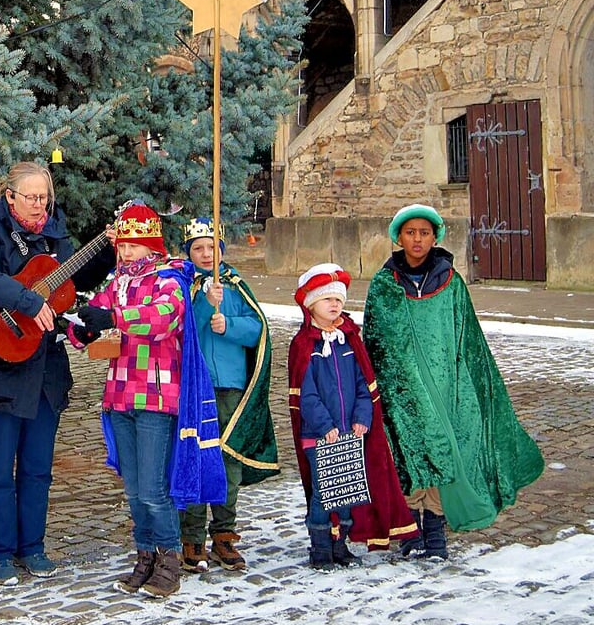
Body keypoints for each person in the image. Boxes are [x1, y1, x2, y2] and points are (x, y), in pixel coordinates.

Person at [0, 161, 114, 585]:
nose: (40, 204)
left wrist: (110, 248)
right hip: (2, 365)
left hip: (46, 370)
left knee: (38, 469)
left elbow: (77, 278)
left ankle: (33, 547)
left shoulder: (56, 235)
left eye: (44, 196)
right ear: (10, 197)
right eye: (31, 197)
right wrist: (26, 301)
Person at [363, 204, 545, 558]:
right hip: (402, 391)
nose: (417, 239)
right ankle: (410, 528)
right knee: (407, 452)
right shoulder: (385, 284)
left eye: (425, 233)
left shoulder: (450, 282)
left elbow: (467, 338)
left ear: (435, 237)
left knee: (445, 450)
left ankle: (434, 528)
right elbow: (376, 340)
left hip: (445, 385)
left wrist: (464, 383)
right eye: (411, 233)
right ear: (398, 237)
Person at [68, 203, 226, 598]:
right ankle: (145, 555)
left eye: (134, 246)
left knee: (155, 489)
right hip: (119, 395)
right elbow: (97, 317)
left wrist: (114, 319)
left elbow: (160, 319)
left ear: (151, 245)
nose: (126, 253)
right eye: (122, 246)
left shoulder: (168, 280)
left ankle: (169, 559)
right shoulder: (116, 282)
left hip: (157, 396)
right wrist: (80, 331)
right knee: (135, 489)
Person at [288, 264, 419, 570]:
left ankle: (339, 543)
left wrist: (363, 416)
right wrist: (325, 426)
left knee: (346, 492)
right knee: (324, 494)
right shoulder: (305, 344)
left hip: (350, 433)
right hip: (320, 436)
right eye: (326, 300)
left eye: (338, 300)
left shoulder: (350, 340)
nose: (334, 305)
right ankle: (320, 548)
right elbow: (305, 393)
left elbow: (364, 383)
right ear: (311, 304)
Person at [177, 217, 280, 574]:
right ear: (189, 252)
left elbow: (258, 330)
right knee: (196, 456)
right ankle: (190, 535)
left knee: (227, 459)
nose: (206, 255)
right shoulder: (183, 284)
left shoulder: (235, 285)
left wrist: (230, 325)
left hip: (233, 384)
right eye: (198, 249)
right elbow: (182, 326)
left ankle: (224, 531)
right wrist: (206, 305)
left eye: (211, 248)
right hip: (197, 385)